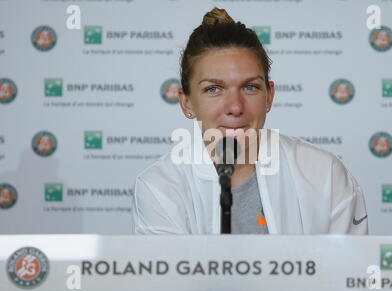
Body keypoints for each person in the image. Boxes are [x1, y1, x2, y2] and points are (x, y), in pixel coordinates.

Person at [132, 8, 368, 235]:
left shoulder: (325, 174)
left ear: (269, 96)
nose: (235, 107)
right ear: (187, 103)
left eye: (250, 87)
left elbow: (349, 271)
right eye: (214, 89)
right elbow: (170, 276)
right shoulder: (159, 187)